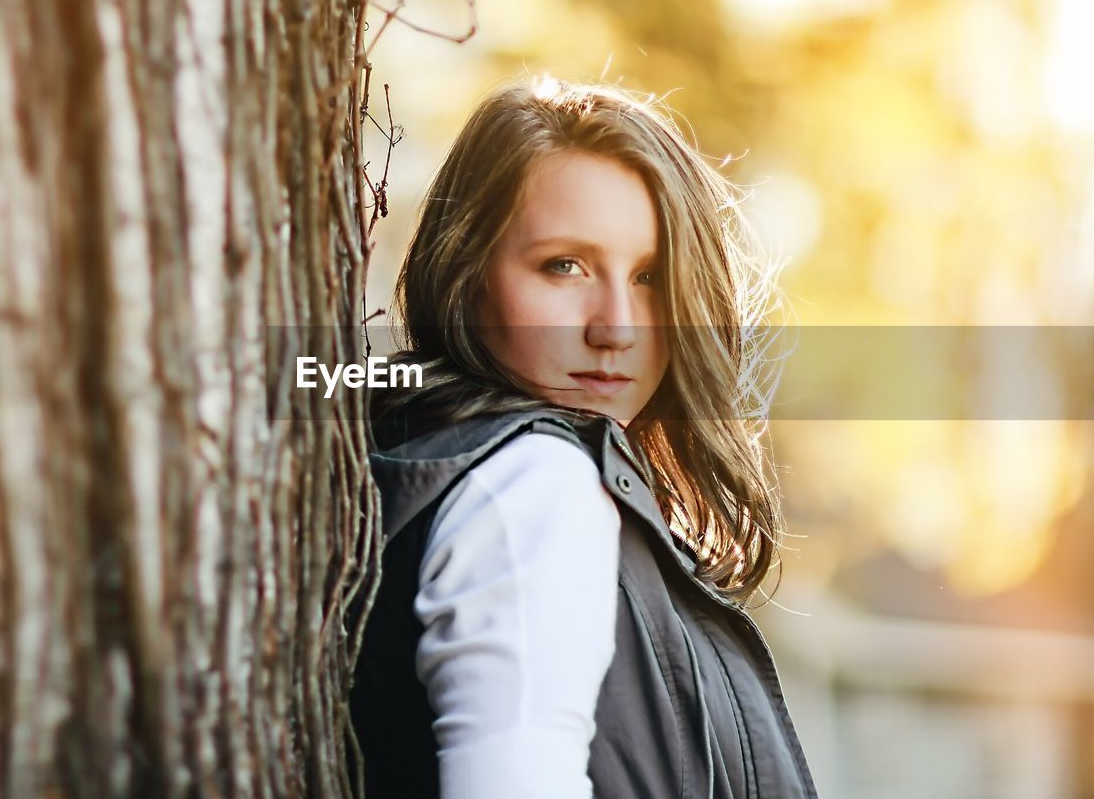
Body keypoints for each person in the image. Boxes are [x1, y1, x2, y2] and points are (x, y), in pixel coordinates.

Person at [349, 78, 818, 798]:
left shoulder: (450, 460)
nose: (617, 327)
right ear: (468, 273)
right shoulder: (538, 484)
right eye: (564, 266)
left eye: (651, 276)